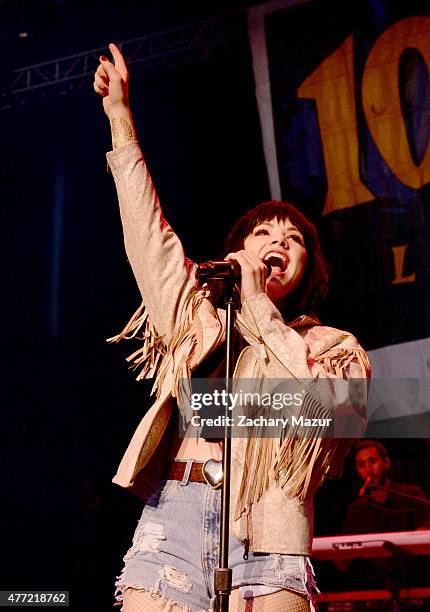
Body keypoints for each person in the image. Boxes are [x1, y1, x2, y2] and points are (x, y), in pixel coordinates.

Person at [93, 43, 370, 612]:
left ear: (303, 271)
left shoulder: (331, 346)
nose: (277, 243)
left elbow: (316, 407)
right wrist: (120, 118)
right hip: (177, 503)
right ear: (238, 250)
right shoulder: (196, 315)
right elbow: (148, 234)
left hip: (269, 518)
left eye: (292, 240)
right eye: (264, 234)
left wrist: (259, 308)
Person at [336, 440, 430, 588]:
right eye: (361, 465)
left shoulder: (411, 495)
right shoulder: (356, 509)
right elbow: (344, 563)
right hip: (374, 587)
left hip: (416, 582)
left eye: (372, 461)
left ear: (386, 462)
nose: (368, 469)